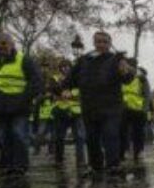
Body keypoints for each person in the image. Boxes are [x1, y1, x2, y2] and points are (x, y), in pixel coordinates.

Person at [64, 31, 134, 175]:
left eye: (104, 42)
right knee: (92, 138)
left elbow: (128, 77)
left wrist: (125, 70)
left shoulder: (116, 59)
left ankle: (113, 165)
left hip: (111, 106)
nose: (101, 44)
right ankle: (95, 166)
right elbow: (71, 79)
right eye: (98, 41)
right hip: (89, 106)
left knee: (110, 135)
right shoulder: (84, 60)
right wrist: (65, 88)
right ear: (94, 42)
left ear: (109, 44)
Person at [0, 33, 43, 174]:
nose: (0, 46)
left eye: (4, 43)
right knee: (3, 136)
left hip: (19, 106)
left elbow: (37, 82)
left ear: (12, 44)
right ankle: (7, 163)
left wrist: (24, 98)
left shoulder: (24, 60)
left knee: (18, 135)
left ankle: (20, 165)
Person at [52, 59, 85, 166]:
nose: (66, 69)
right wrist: (62, 92)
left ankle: (81, 160)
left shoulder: (79, 78)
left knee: (80, 137)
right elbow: (52, 89)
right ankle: (59, 160)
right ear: (60, 68)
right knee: (59, 137)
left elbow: (83, 92)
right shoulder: (55, 78)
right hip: (61, 110)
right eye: (63, 67)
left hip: (76, 111)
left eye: (68, 66)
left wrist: (72, 95)